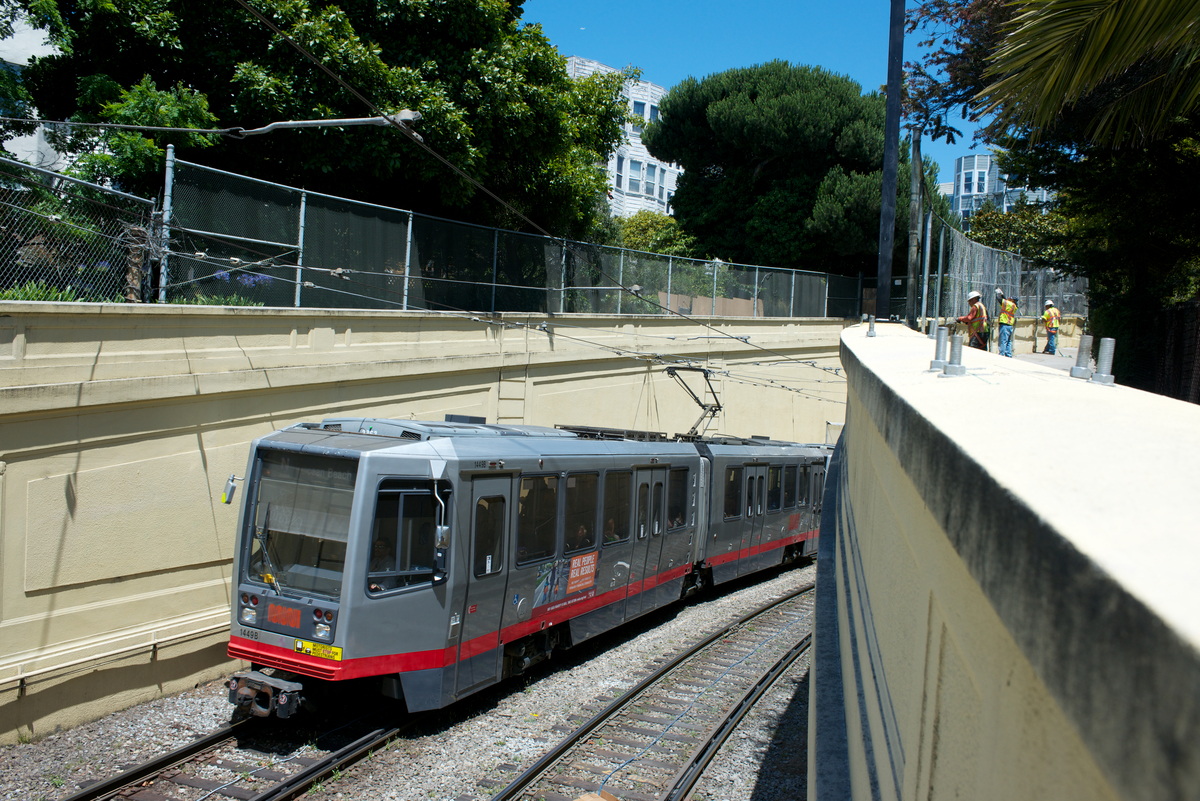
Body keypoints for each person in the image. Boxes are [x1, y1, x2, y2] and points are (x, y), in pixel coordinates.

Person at [994, 288, 1017, 358]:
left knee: (1002, 341)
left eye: (1010, 298)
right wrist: (1002, 294)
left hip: (1004, 324)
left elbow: (1000, 300)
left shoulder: (1008, 304)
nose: (1008, 298)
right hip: (1010, 325)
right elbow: (1005, 300)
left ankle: (1001, 355)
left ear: (1012, 300)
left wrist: (997, 294)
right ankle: (1008, 355)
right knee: (1008, 341)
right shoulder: (1014, 306)